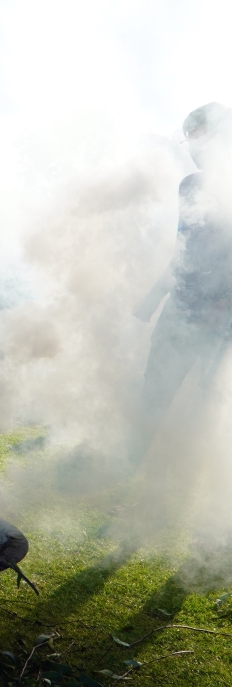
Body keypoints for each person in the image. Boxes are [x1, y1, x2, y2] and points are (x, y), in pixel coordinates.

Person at [133, 102, 232, 463]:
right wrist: (152, 300)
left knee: (205, 396)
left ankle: (186, 476)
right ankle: (132, 460)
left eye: (199, 135)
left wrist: (225, 304)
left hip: (221, 316)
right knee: (155, 386)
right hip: (181, 305)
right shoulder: (189, 185)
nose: (191, 146)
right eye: (188, 138)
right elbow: (183, 250)